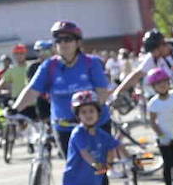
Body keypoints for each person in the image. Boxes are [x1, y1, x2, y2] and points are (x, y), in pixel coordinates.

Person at [13, 21, 112, 157]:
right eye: (59, 40)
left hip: (95, 124)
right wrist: (15, 109)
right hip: (64, 126)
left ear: (77, 43)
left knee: (98, 170)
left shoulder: (91, 63)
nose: (63, 44)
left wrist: (89, 117)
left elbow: (102, 92)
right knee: (73, 169)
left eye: (68, 39)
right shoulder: (49, 66)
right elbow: (32, 91)